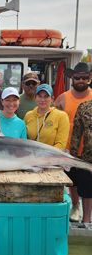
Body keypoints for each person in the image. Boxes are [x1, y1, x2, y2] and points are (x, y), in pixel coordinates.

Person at [55, 62, 92, 222]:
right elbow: (53, 119)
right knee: (72, 183)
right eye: (77, 78)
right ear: (72, 78)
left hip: (88, 153)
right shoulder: (63, 98)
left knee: (88, 188)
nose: (81, 80)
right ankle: (75, 207)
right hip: (67, 150)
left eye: (84, 77)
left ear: (89, 78)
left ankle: (87, 219)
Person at [24, 84, 69, 149]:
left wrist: (45, 156)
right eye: (40, 96)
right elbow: (24, 138)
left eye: (46, 96)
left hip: (51, 157)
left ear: (52, 99)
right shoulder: (28, 115)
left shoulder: (62, 116)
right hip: (31, 156)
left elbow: (61, 144)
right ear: (35, 98)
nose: (42, 100)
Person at [70, 100, 92, 225]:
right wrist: (72, 157)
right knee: (87, 190)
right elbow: (76, 134)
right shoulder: (84, 107)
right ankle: (86, 221)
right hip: (87, 157)